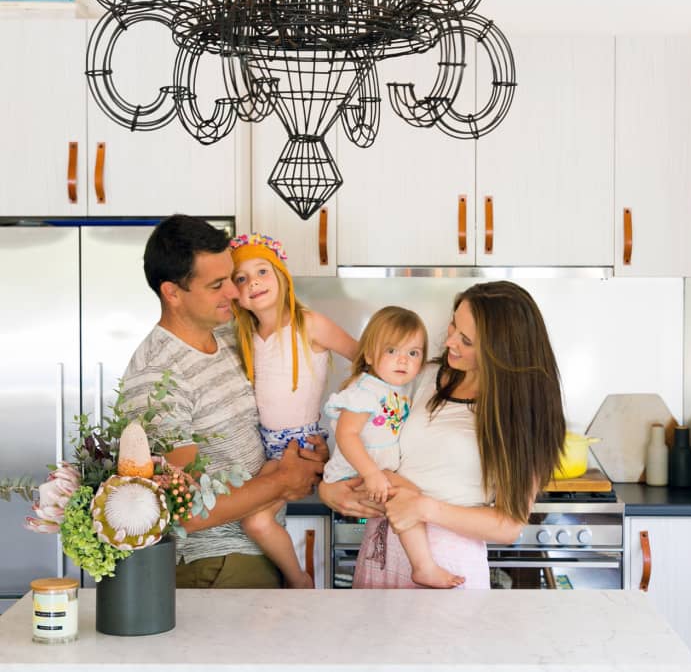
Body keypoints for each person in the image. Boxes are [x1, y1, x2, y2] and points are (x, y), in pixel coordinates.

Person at [121, 214, 327, 589]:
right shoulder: (156, 377)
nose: (234, 292)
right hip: (215, 564)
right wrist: (283, 480)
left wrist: (310, 449)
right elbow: (183, 510)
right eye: (217, 285)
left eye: (231, 278)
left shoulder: (234, 335)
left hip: (260, 546)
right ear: (172, 293)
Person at [319, 281, 567, 589]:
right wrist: (329, 491)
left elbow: (508, 526)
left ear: (499, 350)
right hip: (380, 553)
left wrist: (424, 508)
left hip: (446, 566)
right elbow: (364, 432)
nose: (449, 341)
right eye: (453, 324)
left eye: (466, 340)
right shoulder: (420, 377)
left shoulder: (522, 414)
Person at [229, 232, 357, 588]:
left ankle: (299, 581)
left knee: (255, 522)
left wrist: (349, 408)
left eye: (261, 272)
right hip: (266, 445)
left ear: (281, 276)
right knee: (253, 518)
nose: (253, 282)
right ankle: (297, 581)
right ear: (235, 294)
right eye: (241, 278)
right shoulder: (247, 335)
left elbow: (365, 359)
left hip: (299, 446)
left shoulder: (309, 324)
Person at [323, 305, 464, 588]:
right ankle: (423, 566)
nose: (403, 360)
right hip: (356, 472)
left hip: (374, 470)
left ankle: (421, 565)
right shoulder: (364, 392)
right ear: (370, 355)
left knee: (410, 496)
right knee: (410, 496)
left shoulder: (396, 390)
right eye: (392, 351)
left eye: (413, 353)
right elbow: (346, 435)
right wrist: (373, 474)